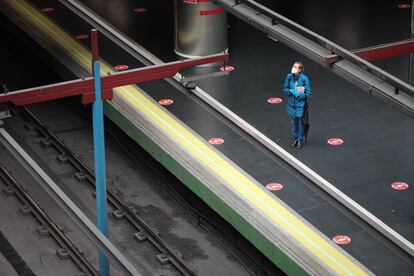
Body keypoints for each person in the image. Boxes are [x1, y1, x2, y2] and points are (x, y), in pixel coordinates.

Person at [283, 61, 311, 149]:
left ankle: (300, 140)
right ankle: (295, 138)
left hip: (300, 106)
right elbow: (285, 88)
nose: (294, 68)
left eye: (296, 67)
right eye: (293, 66)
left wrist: (299, 94)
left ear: (300, 69)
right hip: (291, 105)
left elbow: (308, 93)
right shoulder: (289, 77)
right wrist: (290, 91)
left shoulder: (304, 79)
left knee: (300, 124)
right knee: (293, 123)